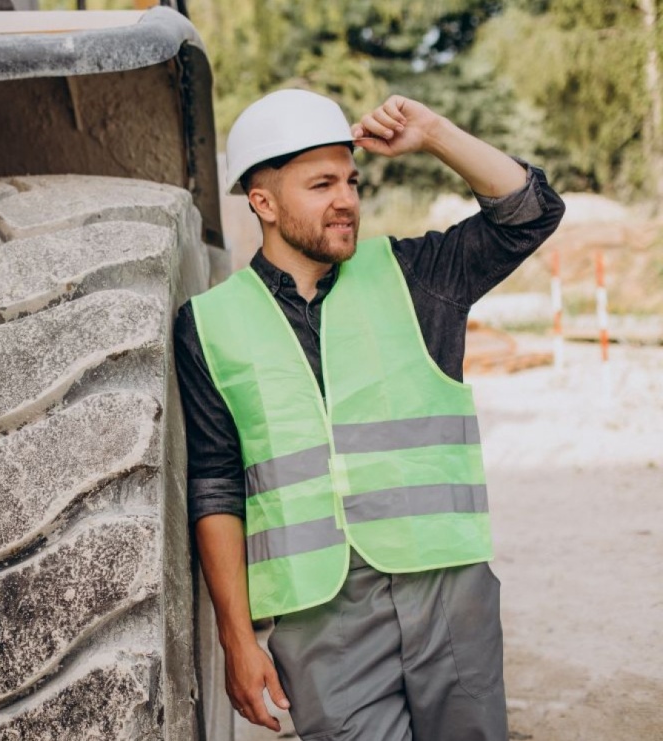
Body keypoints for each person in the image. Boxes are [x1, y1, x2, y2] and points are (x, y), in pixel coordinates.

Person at [175, 89, 565, 740]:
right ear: (263, 202)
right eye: (321, 183)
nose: (346, 199)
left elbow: (531, 213)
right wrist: (237, 639)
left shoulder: (416, 276)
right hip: (319, 615)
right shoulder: (209, 325)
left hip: (446, 590)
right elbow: (215, 486)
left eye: (351, 181)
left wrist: (436, 133)